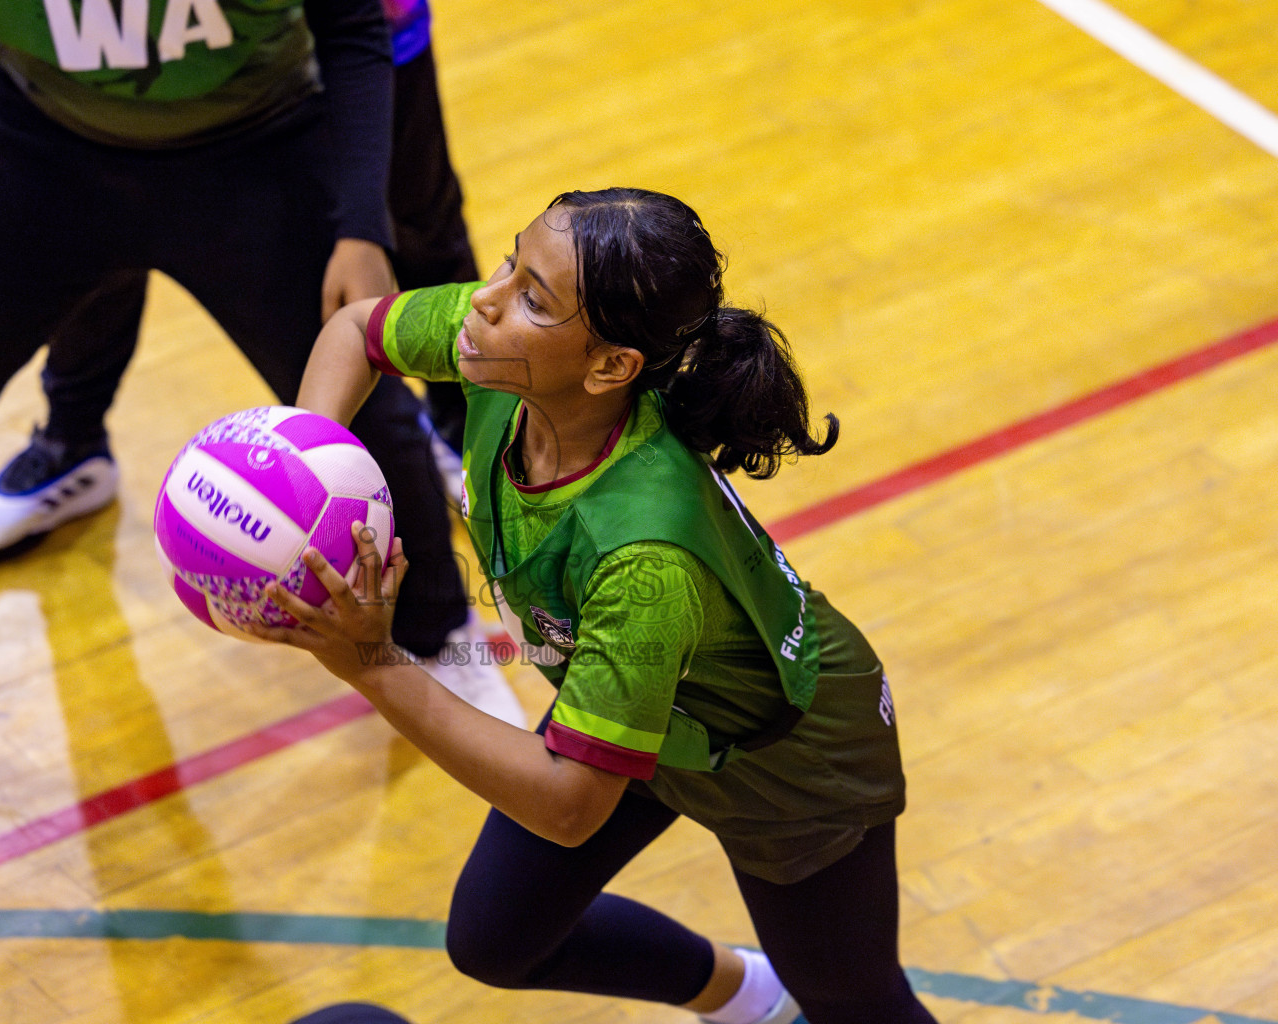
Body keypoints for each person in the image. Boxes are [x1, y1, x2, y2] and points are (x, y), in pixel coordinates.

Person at [0, 0, 510, 766]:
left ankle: (437, 633)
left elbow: (350, 27)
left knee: (363, 418)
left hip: (256, 149)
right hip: (40, 150)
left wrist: (360, 229)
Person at [241, 188, 940, 1023]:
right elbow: (356, 329)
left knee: (850, 996)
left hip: (786, 760)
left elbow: (571, 806)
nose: (489, 296)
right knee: (498, 940)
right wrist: (302, 481)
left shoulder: (644, 560)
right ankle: (751, 999)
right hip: (635, 702)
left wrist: (372, 664)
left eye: (532, 296)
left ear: (611, 366)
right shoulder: (506, 349)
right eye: (510, 261)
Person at [0, 0, 479, 573]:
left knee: (416, 229)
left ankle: (463, 446)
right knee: (99, 235)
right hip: (139, 63)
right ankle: (69, 443)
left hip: (361, 46)